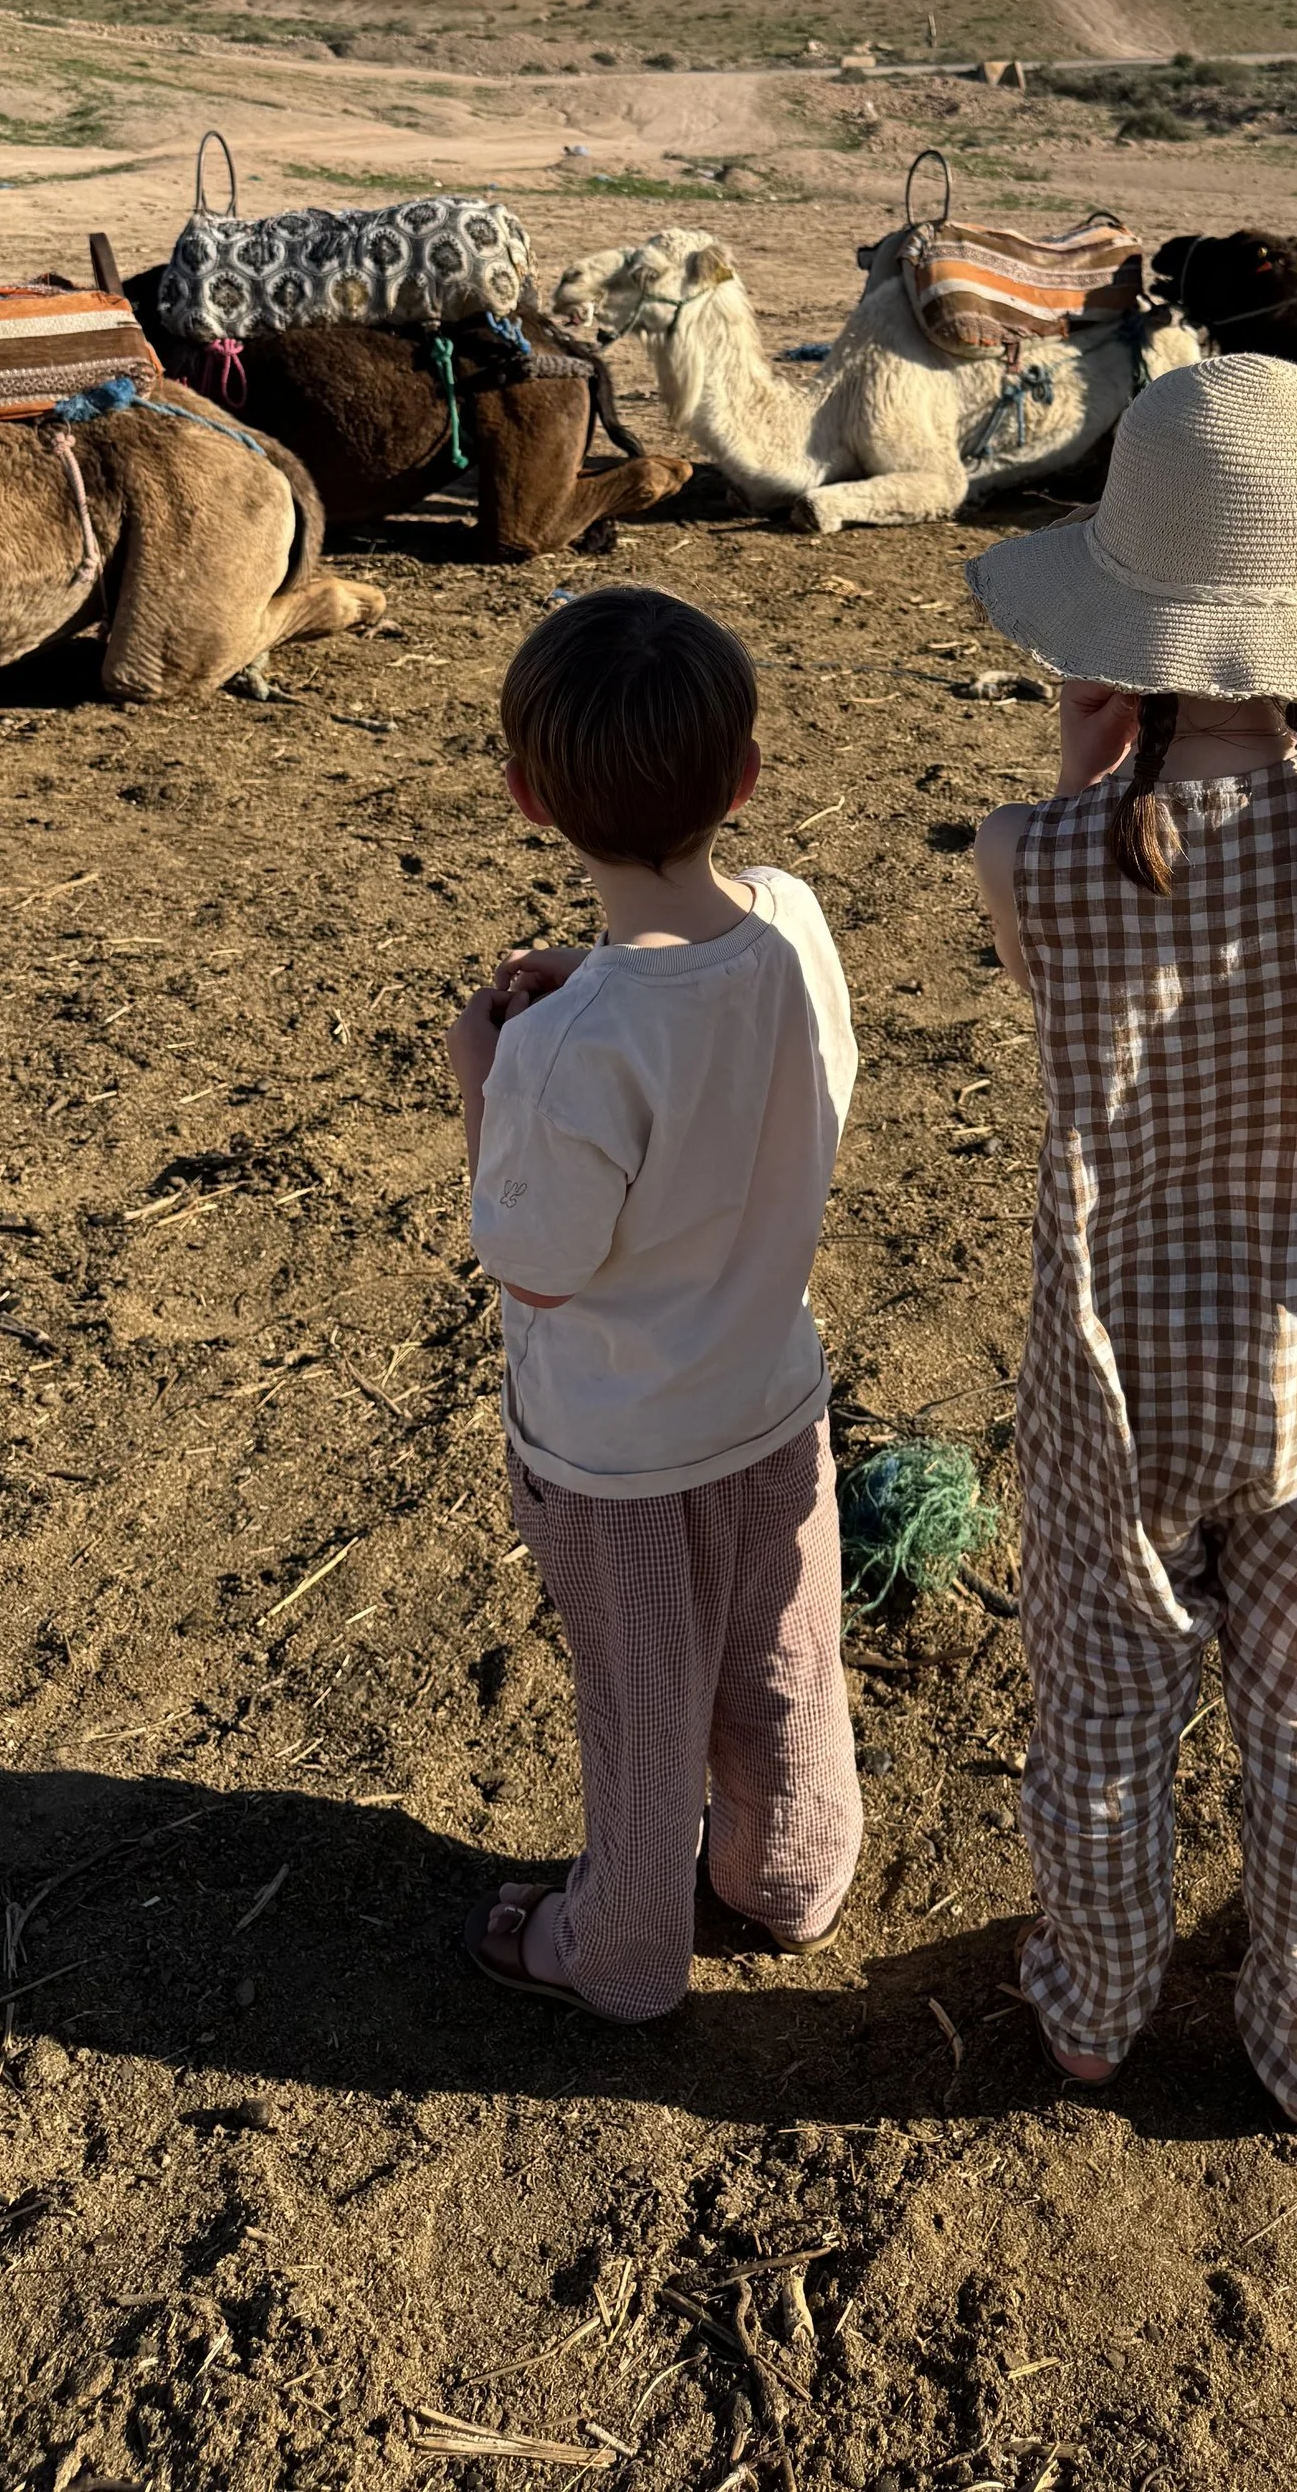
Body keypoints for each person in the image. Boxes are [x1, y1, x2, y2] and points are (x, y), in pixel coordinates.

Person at [966, 353, 1297, 2130]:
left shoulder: (1026, 856)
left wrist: (1078, 752)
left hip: (1120, 1373)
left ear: (1120, 611)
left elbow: (1083, 993)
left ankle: (1095, 2012)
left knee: (1109, 1706)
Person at [445, 584, 863, 2021]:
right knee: (784, 1657)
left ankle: (619, 1947)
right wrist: (591, 999)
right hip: (771, 1405)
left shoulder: (564, 1053)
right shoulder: (797, 927)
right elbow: (749, 1054)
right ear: (744, 777)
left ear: (524, 797)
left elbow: (541, 1256)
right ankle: (791, 1875)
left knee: (642, 1706)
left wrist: (486, 1087)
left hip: (619, 1457)